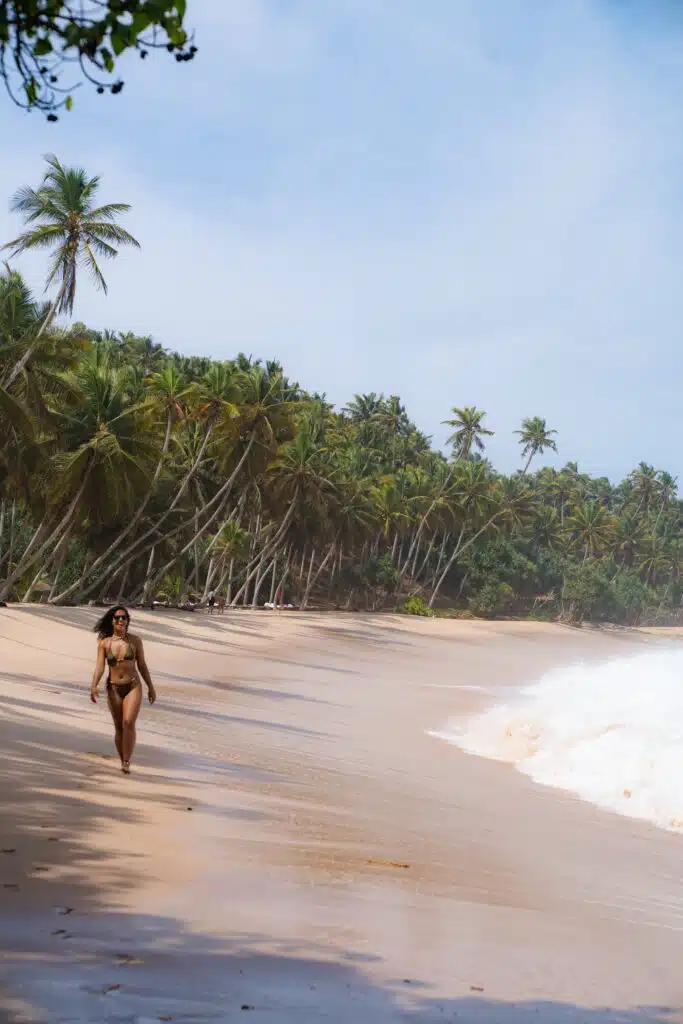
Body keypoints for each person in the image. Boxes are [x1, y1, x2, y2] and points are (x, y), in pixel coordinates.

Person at [90, 606, 157, 774]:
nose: (121, 620)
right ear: (112, 621)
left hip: (133, 685)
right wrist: (94, 685)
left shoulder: (135, 641)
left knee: (128, 722)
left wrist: (150, 687)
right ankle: (123, 759)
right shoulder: (104, 644)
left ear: (128, 621)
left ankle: (127, 760)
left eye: (124, 617)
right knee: (119, 727)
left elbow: (141, 665)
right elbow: (100, 667)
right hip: (113, 687)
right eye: (117, 618)